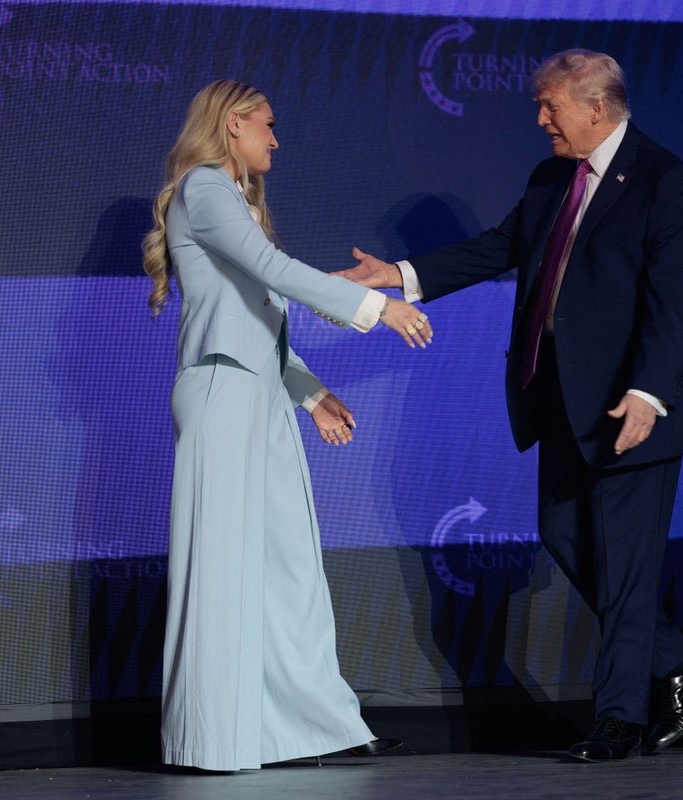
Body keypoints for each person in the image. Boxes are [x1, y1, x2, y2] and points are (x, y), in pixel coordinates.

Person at [340, 50, 683, 762]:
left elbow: (677, 303)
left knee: (628, 564)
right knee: (564, 535)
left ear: (595, 109)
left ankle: (619, 721)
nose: (540, 119)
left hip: (633, 403)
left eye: (550, 107)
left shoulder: (663, 180)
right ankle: (679, 664)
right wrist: (399, 274)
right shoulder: (553, 178)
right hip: (563, 401)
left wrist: (649, 393)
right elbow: (499, 249)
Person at [142, 79, 423, 772]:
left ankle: (314, 727)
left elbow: (260, 306)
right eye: (267, 124)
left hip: (256, 393)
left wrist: (309, 391)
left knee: (288, 568)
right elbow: (271, 272)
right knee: (227, 572)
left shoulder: (229, 199)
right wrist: (373, 306)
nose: (275, 137)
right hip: (221, 391)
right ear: (233, 124)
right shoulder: (205, 187)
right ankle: (213, 742)